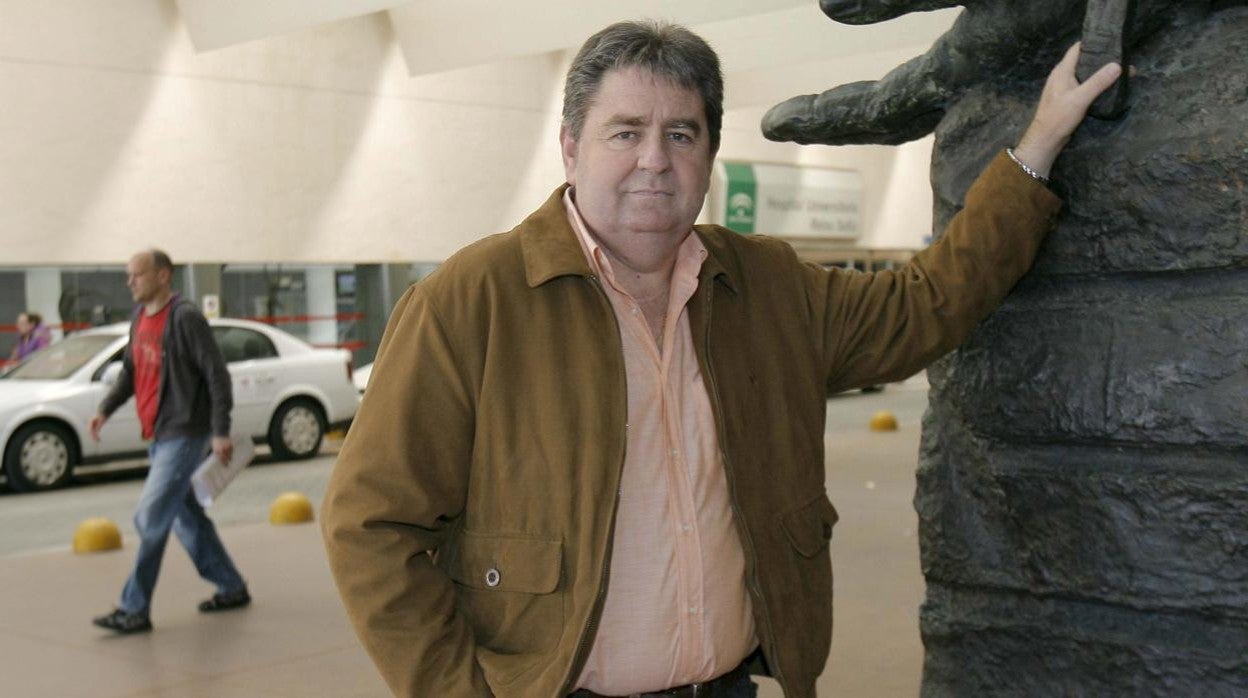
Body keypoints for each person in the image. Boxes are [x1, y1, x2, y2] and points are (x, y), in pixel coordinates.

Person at [321, 20, 1122, 698]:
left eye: (681, 134)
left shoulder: (769, 286)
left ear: (707, 154)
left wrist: (1041, 141)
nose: (654, 161)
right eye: (624, 132)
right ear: (571, 147)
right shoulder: (472, 302)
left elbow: (927, 302)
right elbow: (369, 524)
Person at [89, 249, 251, 634]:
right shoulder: (140, 319)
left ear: (163, 276)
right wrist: (105, 408)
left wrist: (220, 430)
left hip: (185, 433)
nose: (130, 282)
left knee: (150, 516)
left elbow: (216, 375)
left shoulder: (185, 318)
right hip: (159, 434)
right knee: (187, 517)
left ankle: (134, 608)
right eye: (128, 275)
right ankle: (231, 586)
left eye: (137, 275)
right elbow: (131, 371)